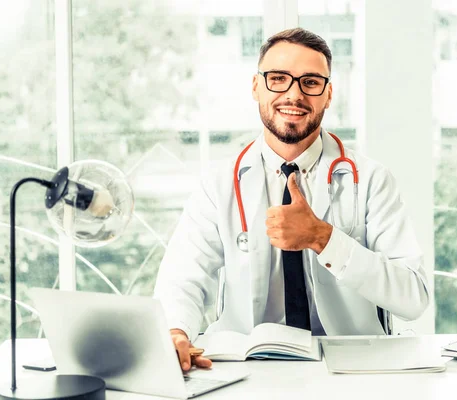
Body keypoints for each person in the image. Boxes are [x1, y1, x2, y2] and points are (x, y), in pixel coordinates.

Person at [154, 28, 430, 371]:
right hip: (245, 365)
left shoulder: (371, 180)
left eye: (311, 82)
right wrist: (176, 330)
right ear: (256, 87)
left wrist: (322, 238)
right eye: (278, 79)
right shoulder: (219, 184)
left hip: (354, 367)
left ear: (328, 95)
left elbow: (413, 298)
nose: (294, 94)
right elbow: (183, 277)